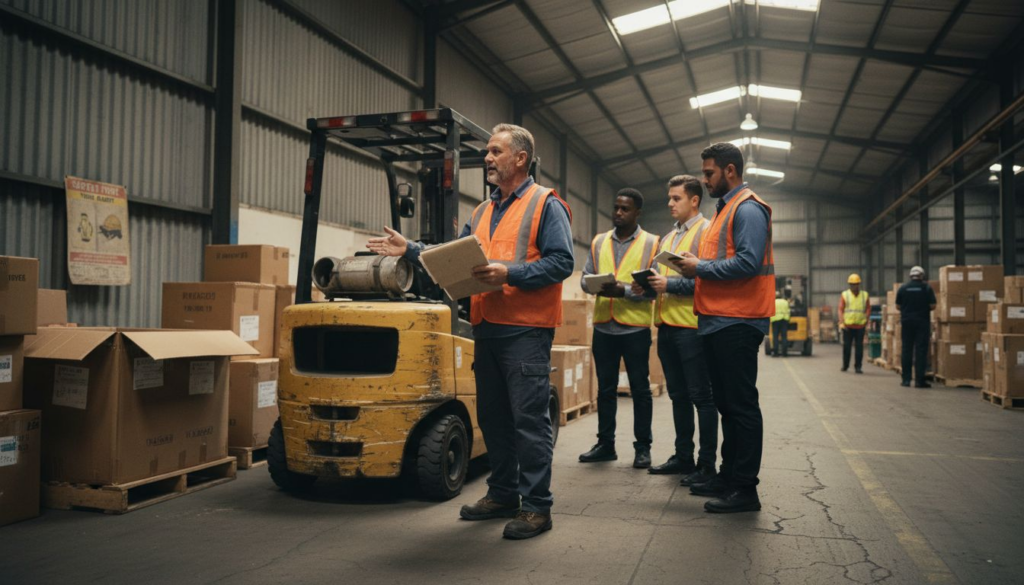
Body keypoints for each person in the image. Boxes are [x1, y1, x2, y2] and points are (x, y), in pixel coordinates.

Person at [366, 123, 573, 540]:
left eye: (496, 152)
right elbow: (454, 256)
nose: (488, 159)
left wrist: (508, 272)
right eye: (488, 152)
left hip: (526, 332)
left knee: (528, 423)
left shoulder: (545, 204)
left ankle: (537, 508)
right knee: (494, 419)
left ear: (520, 158)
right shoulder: (482, 211)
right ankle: (503, 494)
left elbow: (561, 263)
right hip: (488, 329)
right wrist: (412, 250)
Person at [671, 142, 774, 514]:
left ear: (730, 171)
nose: (705, 179)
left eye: (709, 173)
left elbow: (747, 263)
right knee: (728, 405)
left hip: (738, 320)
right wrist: (696, 264)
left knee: (741, 405)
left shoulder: (747, 209)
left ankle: (745, 488)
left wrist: (700, 268)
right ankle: (729, 476)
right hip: (717, 320)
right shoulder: (724, 210)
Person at [637, 175, 718, 486]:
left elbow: (708, 280)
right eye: (669, 198)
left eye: (676, 199)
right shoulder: (669, 238)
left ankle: (706, 464)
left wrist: (667, 284)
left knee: (702, 397)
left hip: (693, 327)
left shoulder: (706, 232)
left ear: (694, 200)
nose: (670, 204)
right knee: (678, 396)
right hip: (667, 325)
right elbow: (661, 279)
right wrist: (646, 284)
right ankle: (683, 456)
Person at [578, 189, 658, 469]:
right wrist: (595, 285)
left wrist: (622, 291)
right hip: (603, 328)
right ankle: (605, 444)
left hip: (634, 329)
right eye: (616, 208)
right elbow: (584, 279)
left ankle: (643, 448)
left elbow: (653, 291)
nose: (618, 213)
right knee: (606, 389)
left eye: (625, 209)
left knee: (640, 389)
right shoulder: (599, 242)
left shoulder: (651, 243)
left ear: (637, 213)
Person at [896, 266, 936, 388]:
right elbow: (933, 305)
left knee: (906, 349)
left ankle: (906, 380)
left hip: (907, 322)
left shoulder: (903, 288)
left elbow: (898, 306)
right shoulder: (927, 288)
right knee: (921, 351)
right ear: (922, 276)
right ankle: (919, 381)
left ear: (910, 276)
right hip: (922, 323)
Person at [839, 273, 871, 373]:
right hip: (848, 326)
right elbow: (841, 309)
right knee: (847, 347)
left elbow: (868, 308)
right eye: (852, 284)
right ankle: (845, 365)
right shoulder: (845, 295)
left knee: (859, 348)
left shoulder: (864, 295)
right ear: (849, 285)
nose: (854, 286)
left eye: (856, 284)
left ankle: (858, 367)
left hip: (860, 326)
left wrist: (866, 318)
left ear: (859, 284)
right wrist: (841, 322)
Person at [771, 290, 790, 357]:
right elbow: (788, 311)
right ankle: (784, 353)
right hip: (784, 320)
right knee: (784, 337)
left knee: (775, 337)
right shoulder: (785, 302)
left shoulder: (773, 302)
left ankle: (775, 353)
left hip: (775, 320)